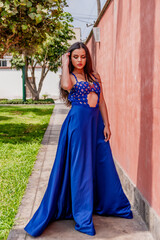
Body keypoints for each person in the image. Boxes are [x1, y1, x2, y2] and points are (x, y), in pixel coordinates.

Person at [24, 42, 133, 237]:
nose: (80, 60)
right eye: (75, 57)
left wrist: (107, 125)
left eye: (83, 57)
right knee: (81, 168)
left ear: (87, 57)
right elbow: (65, 86)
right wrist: (64, 63)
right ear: (71, 58)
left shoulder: (94, 76)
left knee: (102, 164)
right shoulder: (71, 77)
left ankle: (109, 204)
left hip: (95, 125)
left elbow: (102, 101)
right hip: (77, 126)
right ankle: (82, 217)